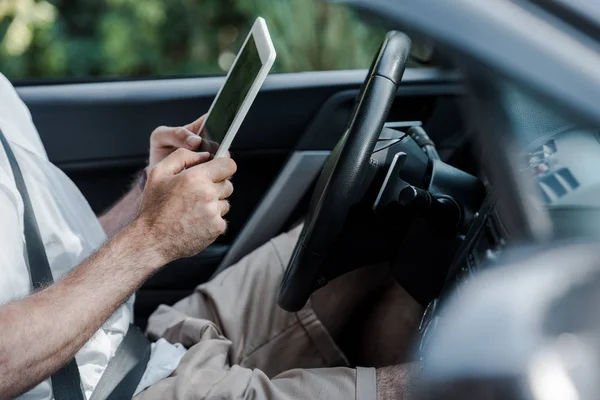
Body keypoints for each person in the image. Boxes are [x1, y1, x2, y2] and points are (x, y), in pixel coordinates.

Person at [0, 72, 421, 400]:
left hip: (136, 344)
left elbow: (47, 250)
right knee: (449, 386)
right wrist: (151, 237)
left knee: (375, 238)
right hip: (112, 390)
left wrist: (145, 198)